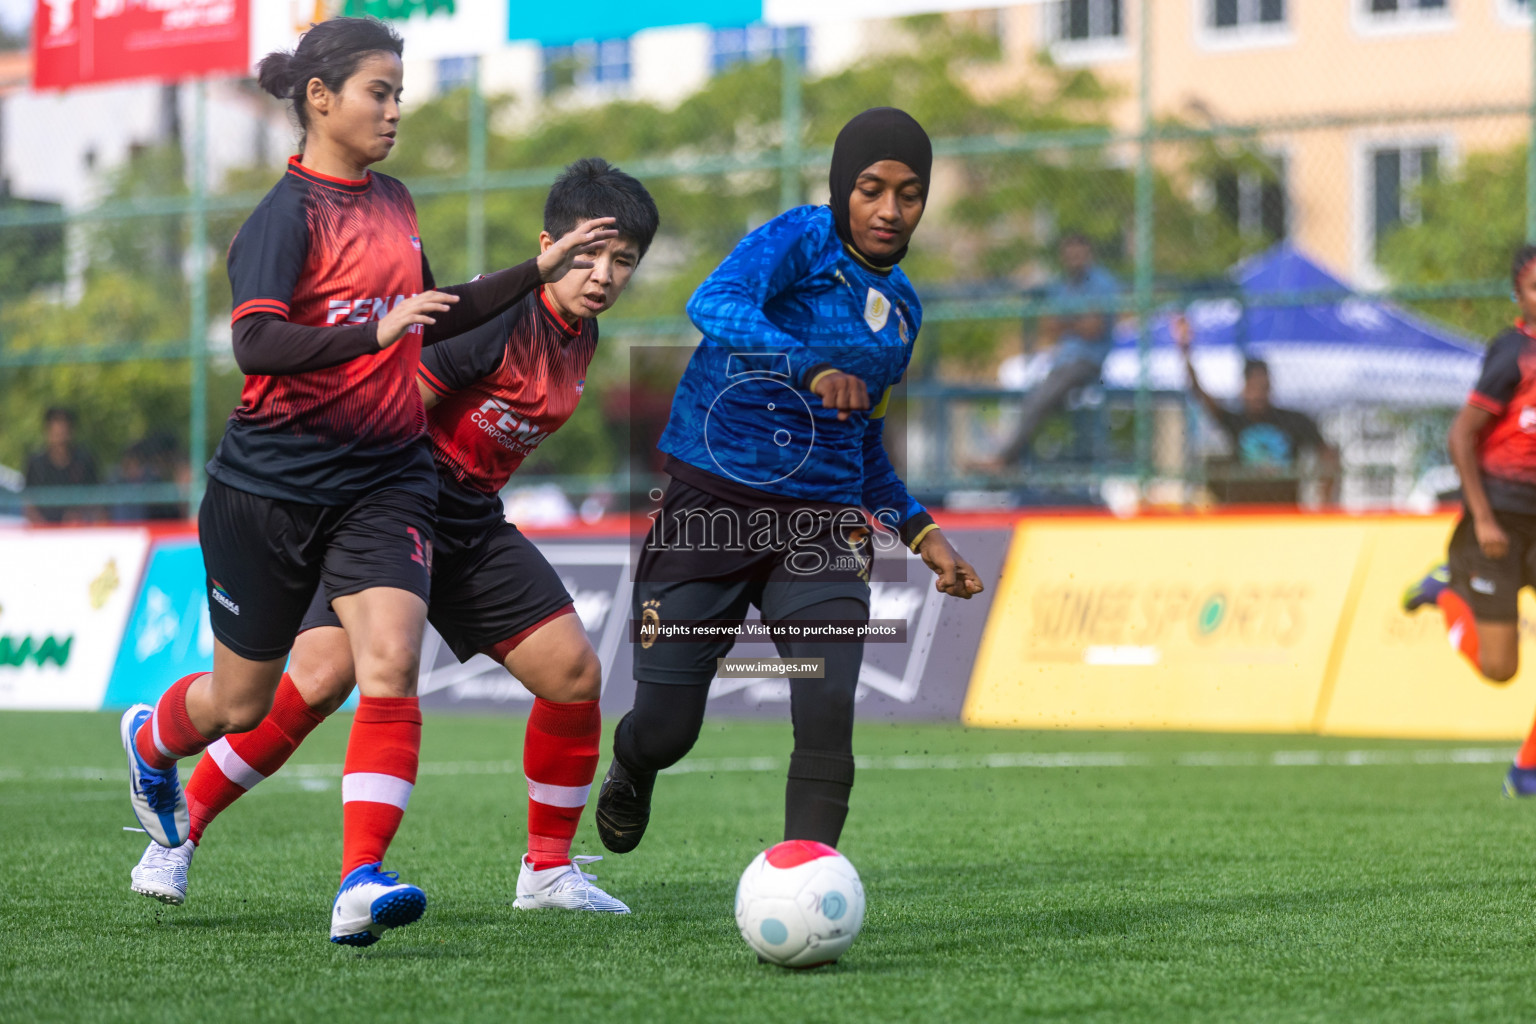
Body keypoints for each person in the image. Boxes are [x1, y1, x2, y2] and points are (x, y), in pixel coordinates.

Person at [116, 16, 616, 947]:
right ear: (321, 99)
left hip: (385, 484)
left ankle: (360, 879)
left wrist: (531, 272)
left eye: (398, 95)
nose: (393, 111)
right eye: (379, 93)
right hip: (266, 489)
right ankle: (152, 742)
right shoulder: (281, 220)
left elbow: (437, 310)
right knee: (247, 701)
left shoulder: (393, 201)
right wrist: (373, 334)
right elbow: (255, 342)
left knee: (387, 665)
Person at [594, 107, 985, 860]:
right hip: (712, 503)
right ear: (843, 189)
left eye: (909, 193)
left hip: (823, 524)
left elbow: (862, 439)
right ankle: (634, 763)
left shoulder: (903, 313)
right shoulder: (803, 238)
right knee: (668, 728)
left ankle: (808, 877)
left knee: (829, 699)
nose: (890, 210)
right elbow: (712, 302)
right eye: (871, 189)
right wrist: (808, 364)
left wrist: (922, 532)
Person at [1403, 243, 1536, 798]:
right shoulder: (1513, 355)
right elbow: (1461, 436)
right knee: (1500, 668)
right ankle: (1445, 592)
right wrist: (1482, 518)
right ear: (1519, 295)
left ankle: (1527, 772)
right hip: (1500, 520)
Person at [977, 232, 1122, 470]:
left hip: (1088, 361)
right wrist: (1077, 322)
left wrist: (1067, 323)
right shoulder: (1061, 285)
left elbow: (1094, 327)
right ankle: (1012, 458)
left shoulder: (1102, 283)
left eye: (1079, 252)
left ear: (1088, 253)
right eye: (1069, 253)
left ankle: (1004, 458)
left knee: (1041, 398)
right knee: (1034, 395)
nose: (1074, 258)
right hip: (1061, 360)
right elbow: (1049, 326)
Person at [1173, 314, 1338, 505]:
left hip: (1284, 510)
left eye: (1264, 387)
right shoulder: (1236, 420)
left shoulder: (1292, 420)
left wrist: (1325, 494)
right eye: (1254, 388)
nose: (1259, 394)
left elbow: (1327, 452)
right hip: (1245, 510)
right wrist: (1185, 351)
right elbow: (1200, 394)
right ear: (1244, 389)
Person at [24, 407, 100, 524]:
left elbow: (96, 496)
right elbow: (28, 501)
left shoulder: (84, 461)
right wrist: (41, 525)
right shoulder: (35, 463)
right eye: (56, 428)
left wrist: (79, 516)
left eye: (64, 427)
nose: (60, 432)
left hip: (78, 531)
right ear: (47, 430)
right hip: (42, 532)